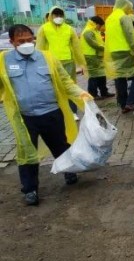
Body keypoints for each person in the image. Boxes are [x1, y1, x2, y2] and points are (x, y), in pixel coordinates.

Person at [0, 24, 92, 206]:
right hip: (24, 117)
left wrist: (82, 95)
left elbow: (65, 81)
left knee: (60, 145)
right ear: (12, 42)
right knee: (27, 153)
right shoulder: (3, 61)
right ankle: (30, 189)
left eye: (29, 40)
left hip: (51, 112)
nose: (26, 44)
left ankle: (69, 171)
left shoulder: (47, 58)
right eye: (21, 41)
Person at [36, 6, 86, 118]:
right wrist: (38, 63)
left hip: (68, 62)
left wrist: (81, 63)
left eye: (60, 15)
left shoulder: (69, 29)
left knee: (70, 86)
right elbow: (39, 47)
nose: (58, 17)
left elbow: (76, 47)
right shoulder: (44, 29)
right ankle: (59, 112)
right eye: (55, 15)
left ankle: (72, 111)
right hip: (50, 63)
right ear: (51, 16)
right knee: (54, 87)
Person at [105, 0, 134, 113]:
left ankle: (123, 105)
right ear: (125, 6)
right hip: (125, 50)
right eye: (129, 7)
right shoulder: (124, 17)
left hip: (113, 51)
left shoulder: (110, 18)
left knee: (120, 77)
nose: (129, 10)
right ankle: (131, 102)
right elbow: (130, 35)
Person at [80, 16, 113, 99]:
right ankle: (93, 94)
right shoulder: (88, 31)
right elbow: (94, 44)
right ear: (96, 24)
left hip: (97, 55)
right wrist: (106, 48)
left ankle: (104, 92)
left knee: (101, 74)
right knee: (94, 76)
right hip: (91, 56)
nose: (100, 28)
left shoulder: (94, 30)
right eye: (100, 25)